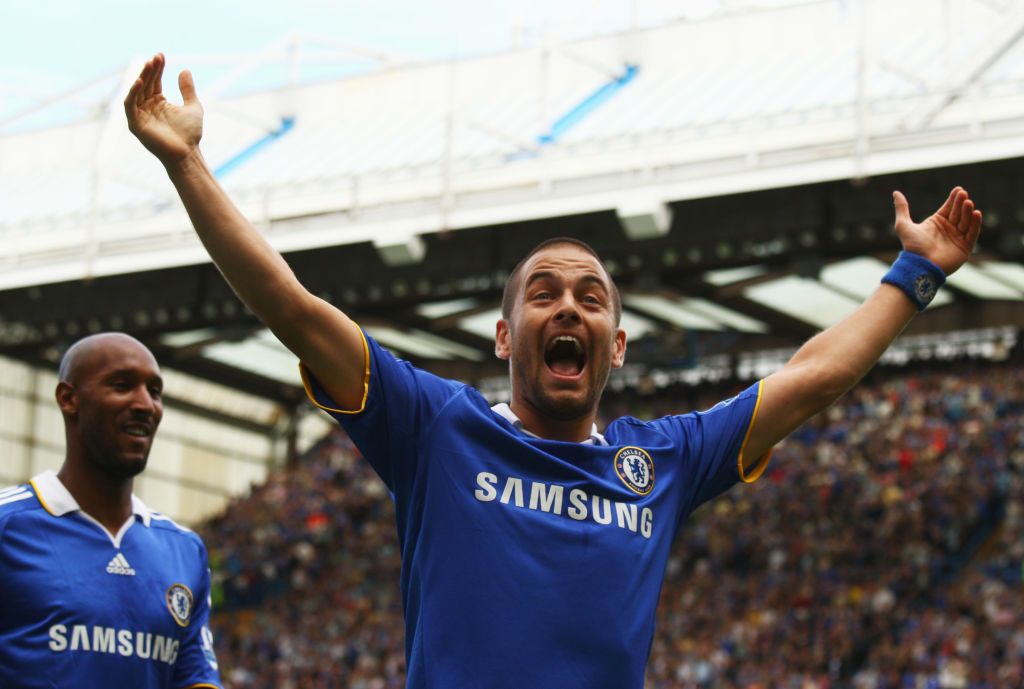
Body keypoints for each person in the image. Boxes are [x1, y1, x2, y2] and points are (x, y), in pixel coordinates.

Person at [124, 53, 983, 688]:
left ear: (615, 346)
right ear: (505, 336)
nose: (568, 307)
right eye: (543, 294)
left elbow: (811, 377)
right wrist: (186, 163)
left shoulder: (664, 460)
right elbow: (294, 309)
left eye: (590, 297)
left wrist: (916, 274)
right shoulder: (436, 431)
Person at [0, 333, 222, 689]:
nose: (145, 404)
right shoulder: (8, 527)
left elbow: (195, 678)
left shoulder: (185, 550)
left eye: (155, 391)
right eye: (122, 386)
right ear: (69, 399)